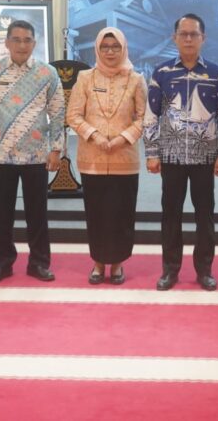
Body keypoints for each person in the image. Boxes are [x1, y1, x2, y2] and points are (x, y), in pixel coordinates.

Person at [144, 13, 218, 291]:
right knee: (170, 215)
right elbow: (151, 115)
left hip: (204, 156)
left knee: (204, 215)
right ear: (174, 38)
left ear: (202, 38)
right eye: (183, 34)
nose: (188, 39)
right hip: (170, 156)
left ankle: (204, 270)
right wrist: (152, 152)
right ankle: (170, 270)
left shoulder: (216, 73)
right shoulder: (162, 73)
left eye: (193, 34)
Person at [0, 20, 65, 284]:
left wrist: (56, 150)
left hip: (36, 156)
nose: (22, 45)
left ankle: (39, 263)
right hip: (2, 155)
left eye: (27, 40)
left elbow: (58, 114)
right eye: (16, 39)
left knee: (38, 214)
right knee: (1, 214)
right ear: (7, 43)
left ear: (34, 43)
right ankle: (1, 264)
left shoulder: (47, 73)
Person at [66, 27, 147, 285]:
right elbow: (73, 115)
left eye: (115, 46)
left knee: (122, 214)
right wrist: (95, 136)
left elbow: (144, 118)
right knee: (97, 214)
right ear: (97, 49)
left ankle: (118, 263)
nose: (110, 51)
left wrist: (123, 138)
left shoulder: (136, 79)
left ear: (123, 48)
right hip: (93, 158)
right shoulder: (85, 78)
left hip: (125, 158)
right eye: (105, 46)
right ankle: (99, 263)